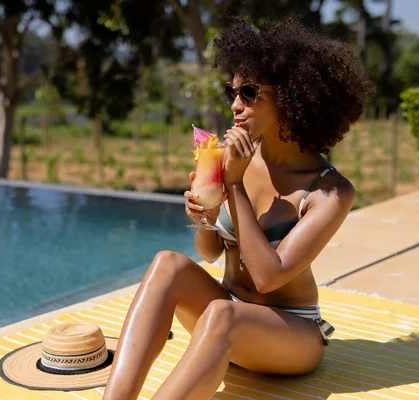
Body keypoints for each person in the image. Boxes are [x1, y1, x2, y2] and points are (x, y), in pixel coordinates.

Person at [102, 18, 374, 400]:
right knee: (167, 263)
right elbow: (210, 252)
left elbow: (267, 277)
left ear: (293, 96)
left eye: (249, 92)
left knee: (221, 315)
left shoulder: (330, 190)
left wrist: (233, 186)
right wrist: (206, 217)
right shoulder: (235, 156)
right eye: (231, 90)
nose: (234, 104)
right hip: (225, 313)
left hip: (289, 333)